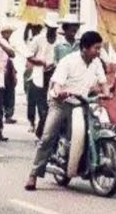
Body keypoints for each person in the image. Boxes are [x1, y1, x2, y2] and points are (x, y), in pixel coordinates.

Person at [24, 30, 108, 191]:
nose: (98, 52)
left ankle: (100, 167)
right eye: (96, 48)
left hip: (82, 102)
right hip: (61, 102)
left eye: (99, 48)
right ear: (84, 48)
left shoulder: (96, 63)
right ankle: (33, 174)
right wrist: (60, 91)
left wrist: (107, 92)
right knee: (48, 137)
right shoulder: (68, 61)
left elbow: (103, 82)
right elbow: (56, 83)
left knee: (94, 129)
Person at [26, 13, 59, 137]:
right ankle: (41, 133)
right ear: (46, 26)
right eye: (50, 28)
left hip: (56, 76)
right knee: (42, 108)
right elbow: (29, 56)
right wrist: (40, 62)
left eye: (54, 29)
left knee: (54, 105)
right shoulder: (38, 39)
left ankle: (46, 132)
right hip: (40, 76)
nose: (52, 31)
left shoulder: (59, 41)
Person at [0, 22, 19, 125]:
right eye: (8, 32)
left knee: (9, 92)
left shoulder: (8, 42)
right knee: (6, 93)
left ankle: (8, 114)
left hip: (8, 69)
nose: (9, 34)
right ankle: (7, 114)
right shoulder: (2, 43)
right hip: (3, 70)